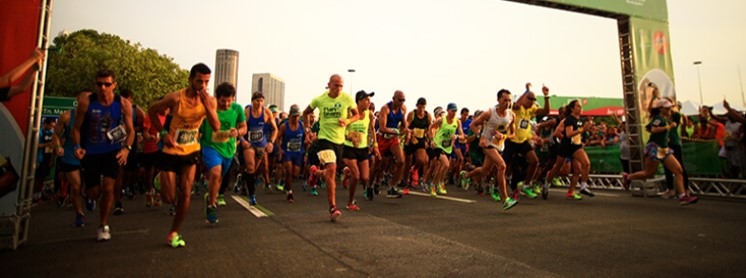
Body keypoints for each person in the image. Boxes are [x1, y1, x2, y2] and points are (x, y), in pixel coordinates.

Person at [147, 63, 220, 247]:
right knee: (169, 198)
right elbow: (152, 110)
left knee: (186, 192)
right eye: (199, 81)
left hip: (191, 150)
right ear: (190, 80)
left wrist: (207, 106)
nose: (202, 85)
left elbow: (216, 126)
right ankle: (160, 180)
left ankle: (174, 232)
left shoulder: (209, 101)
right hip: (171, 150)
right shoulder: (175, 98)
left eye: (206, 82)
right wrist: (163, 134)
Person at [72, 69, 135, 241]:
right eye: (99, 84)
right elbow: (76, 128)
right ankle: (89, 194)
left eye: (107, 84)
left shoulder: (123, 104)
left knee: (109, 187)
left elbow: (131, 131)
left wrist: (126, 149)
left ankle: (103, 225)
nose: (103, 87)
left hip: (112, 151)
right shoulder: (86, 102)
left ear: (114, 85)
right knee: (94, 192)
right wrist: (77, 146)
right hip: (90, 152)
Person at [302, 74, 359, 222]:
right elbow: (305, 112)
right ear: (329, 85)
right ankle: (332, 207)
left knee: (330, 172)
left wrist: (347, 121)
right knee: (332, 169)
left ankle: (316, 172)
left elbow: (357, 115)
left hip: (339, 141)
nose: (338, 88)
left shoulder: (346, 98)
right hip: (324, 139)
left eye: (341, 85)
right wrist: (308, 130)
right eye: (336, 85)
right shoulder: (320, 99)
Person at [622, 99, 699, 205]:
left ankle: (683, 196)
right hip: (655, 148)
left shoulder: (663, 118)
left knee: (678, 170)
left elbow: (648, 128)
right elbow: (653, 129)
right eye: (667, 108)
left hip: (663, 148)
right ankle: (629, 177)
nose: (669, 110)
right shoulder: (659, 118)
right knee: (649, 173)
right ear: (661, 109)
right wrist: (667, 127)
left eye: (670, 108)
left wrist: (664, 137)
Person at [462, 89, 517, 209]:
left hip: (499, 145)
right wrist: (480, 136)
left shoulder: (511, 115)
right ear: (498, 100)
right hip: (487, 144)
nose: (507, 103)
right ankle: (505, 199)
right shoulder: (489, 113)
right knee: (502, 166)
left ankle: (466, 175)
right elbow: (473, 124)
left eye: (509, 100)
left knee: (484, 170)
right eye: (504, 100)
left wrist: (504, 136)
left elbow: (513, 134)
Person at [200, 82, 246, 224]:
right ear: (217, 98)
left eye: (229, 100)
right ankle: (212, 206)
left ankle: (211, 196)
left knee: (219, 178)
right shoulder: (208, 108)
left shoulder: (237, 109)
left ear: (233, 99)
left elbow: (244, 127)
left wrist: (238, 132)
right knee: (215, 172)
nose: (226, 104)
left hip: (228, 149)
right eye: (222, 101)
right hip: (210, 147)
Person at [502, 83, 551, 199]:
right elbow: (518, 104)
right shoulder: (516, 107)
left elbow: (546, 111)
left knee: (534, 161)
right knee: (503, 166)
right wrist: (527, 90)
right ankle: (495, 186)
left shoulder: (532, 108)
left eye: (534, 100)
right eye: (529, 99)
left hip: (523, 141)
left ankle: (526, 185)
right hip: (511, 139)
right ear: (524, 98)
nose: (532, 102)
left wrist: (546, 96)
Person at [544, 99, 593, 200]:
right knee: (558, 167)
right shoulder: (569, 120)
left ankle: (580, 187)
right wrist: (582, 129)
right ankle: (547, 182)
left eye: (580, 106)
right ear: (572, 108)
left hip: (576, 147)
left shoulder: (579, 120)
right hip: (566, 147)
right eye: (578, 106)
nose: (580, 108)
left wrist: (586, 129)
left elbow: (578, 133)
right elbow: (568, 134)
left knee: (583, 165)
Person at [52, 98, 88, 227]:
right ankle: (79, 214)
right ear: (78, 100)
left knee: (89, 187)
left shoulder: (95, 116)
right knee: (76, 186)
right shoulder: (67, 116)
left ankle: (89, 197)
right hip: (70, 154)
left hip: (89, 154)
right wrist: (58, 147)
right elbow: (55, 135)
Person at [341, 91, 379, 211]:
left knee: (365, 178)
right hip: (349, 147)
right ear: (359, 101)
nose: (369, 102)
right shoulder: (349, 113)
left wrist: (375, 145)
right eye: (366, 100)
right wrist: (350, 137)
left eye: (369, 100)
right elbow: (341, 130)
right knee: (356, 176)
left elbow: (372, 130)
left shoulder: (370, 114)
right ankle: (350, 202)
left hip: (363, 148)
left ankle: (347, 173)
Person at [240, 92, 278, 205]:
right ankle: (252, 195)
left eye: (261, 101)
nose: (259, 103)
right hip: (249, 144)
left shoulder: (267, 112)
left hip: (261, 145)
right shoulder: (246, 112)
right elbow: (239, 128)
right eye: (257, 101)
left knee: (253, 170)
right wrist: (243, 141)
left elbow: (275, 129)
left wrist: (271, 142)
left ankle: (241, 179)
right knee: (250, 167)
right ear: (253, 101)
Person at [113, 89, 145, 215]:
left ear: (131, 99)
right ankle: (118, 201)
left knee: (130, 172)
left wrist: (129, 129)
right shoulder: (113, 108)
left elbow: (142, 125)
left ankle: (129, 188)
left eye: (127, 99)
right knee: (118, 173)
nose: (125, 102)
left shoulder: (136, 110)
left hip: (130, 144)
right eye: (122, 99)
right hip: (115, 144)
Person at [426, 103, 465, 196]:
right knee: (446, 164)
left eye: (455, 111)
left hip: (448, 147)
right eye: (452, 111)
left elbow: (462, 135)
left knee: (442, 167)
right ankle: (435, 184)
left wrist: (456, 136)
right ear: (447, 110)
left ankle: (439, 182)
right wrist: (431, 140)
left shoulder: (457, 122)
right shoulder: (441, 120)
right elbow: (430, 127)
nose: (454, 113)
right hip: (438, 145)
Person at [374, 90, 408, 198]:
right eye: (399, 100)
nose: (401, 102)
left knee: (401, 161)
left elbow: (403, 125)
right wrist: (396, 131)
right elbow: (382, 127)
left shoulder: (402, 109)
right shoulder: (385, 108)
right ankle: (372, 184)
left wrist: (403, 130)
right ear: (393, 99)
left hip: (393, 139)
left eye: (403, 100)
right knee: (379, 164)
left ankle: (392, 186)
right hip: (382, 138)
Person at [275, 105, 306, 203]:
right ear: (290, 116)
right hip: (287, 151)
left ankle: (286, 185)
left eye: (297, 116)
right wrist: (280, 149)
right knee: (288, 170)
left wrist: (306, 153)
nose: (296, 118)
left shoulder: (302, 125)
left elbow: (305, 138)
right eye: (294, 116)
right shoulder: (284, 126)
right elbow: (277, 138)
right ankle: (289, 192)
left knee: (295, 174)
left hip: (298, 152)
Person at [33, 117, 56, 203]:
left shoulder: (52, 133)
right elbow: (37, 145)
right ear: (46, 124)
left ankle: (39, 195)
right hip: (40, 158)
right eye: (50, 126)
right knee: (37, 178)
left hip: (48, 158)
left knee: (42, 178)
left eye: (53, 126)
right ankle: (34, 195)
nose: (51, 128)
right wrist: (47, 144)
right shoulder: (40, 132)